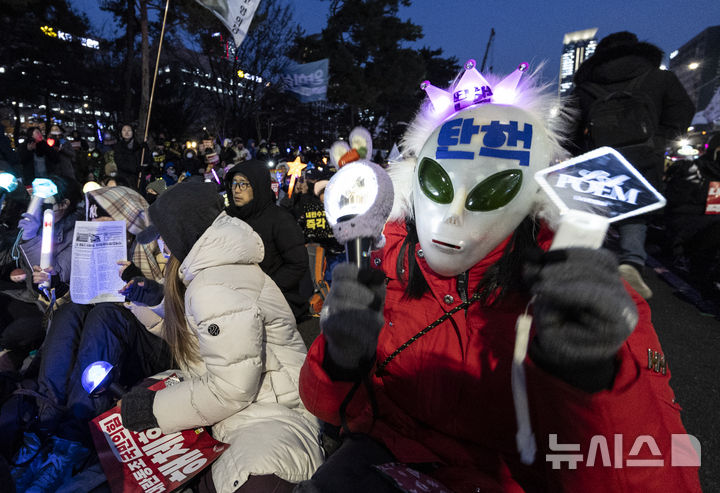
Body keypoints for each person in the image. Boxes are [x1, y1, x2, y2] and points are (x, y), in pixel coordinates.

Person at [296, 61, 701, 492]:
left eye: (492, 189)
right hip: (388, 460)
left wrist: (594, 378)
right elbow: (334, 408)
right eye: (439, 183)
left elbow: (663, 476)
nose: (454, 216)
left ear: (532, 194)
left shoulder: (584, 292)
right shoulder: (388, 267)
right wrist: (340, 354)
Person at [118, 181, 323, 492]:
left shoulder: (212, 287)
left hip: (269, 412)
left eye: (163, 236)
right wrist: (146, 306)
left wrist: (154, 409)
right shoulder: (216, 272)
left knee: (252, 474)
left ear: (181, 232)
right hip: (253, 403)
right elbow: (203, 340)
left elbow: (232, 389)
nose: (160, 246)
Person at [10, 186, 170, 492]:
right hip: (99, 332)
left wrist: (141, 287)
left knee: (104, 315)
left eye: (107, 215)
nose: (99, 222)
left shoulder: (156, 247)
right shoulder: (89, 243)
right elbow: (58, 282)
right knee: (69, 312)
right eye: (94, 216)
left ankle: (73, 439)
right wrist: (52, 282)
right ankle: (46, 423)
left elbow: (172, 308)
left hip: (142, 340)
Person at [570, 31, 695, 299]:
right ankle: (631, 261)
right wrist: (659, 140)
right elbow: (682, 111)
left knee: (593, 209)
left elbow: (569, 125)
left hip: (597, 158)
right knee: (635, 211)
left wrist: (577, 154)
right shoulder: (660, 77)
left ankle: (588, 265)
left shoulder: (587, 83)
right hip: (644, 156)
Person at [0, 174, 83, 369]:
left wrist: (30, 239)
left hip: (52, 307)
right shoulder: (36, 223)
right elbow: (9, 258)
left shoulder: (75, 232)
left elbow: (51, 275)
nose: (38, 206)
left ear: (63, 204)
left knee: (11, 333)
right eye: (35, 198)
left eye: (45, 201)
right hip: (28, 296)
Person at [224, 160, 312, 321]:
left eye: (243, 184)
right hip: (235, 297)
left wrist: (266, 289)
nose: (236, 190)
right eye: (234, 183)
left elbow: (297, 263)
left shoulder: (280, 219)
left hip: (277, 300)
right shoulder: (227, 218)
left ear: (258, 186)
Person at [113, 124, 143, 188]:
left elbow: (142, 160)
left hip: (136, 178)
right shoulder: (118, 146)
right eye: (124, 130)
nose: (126, 133)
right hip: (123, 178)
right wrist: (134, 169)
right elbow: (119, 162)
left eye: (129, 130)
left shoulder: (138, 146)